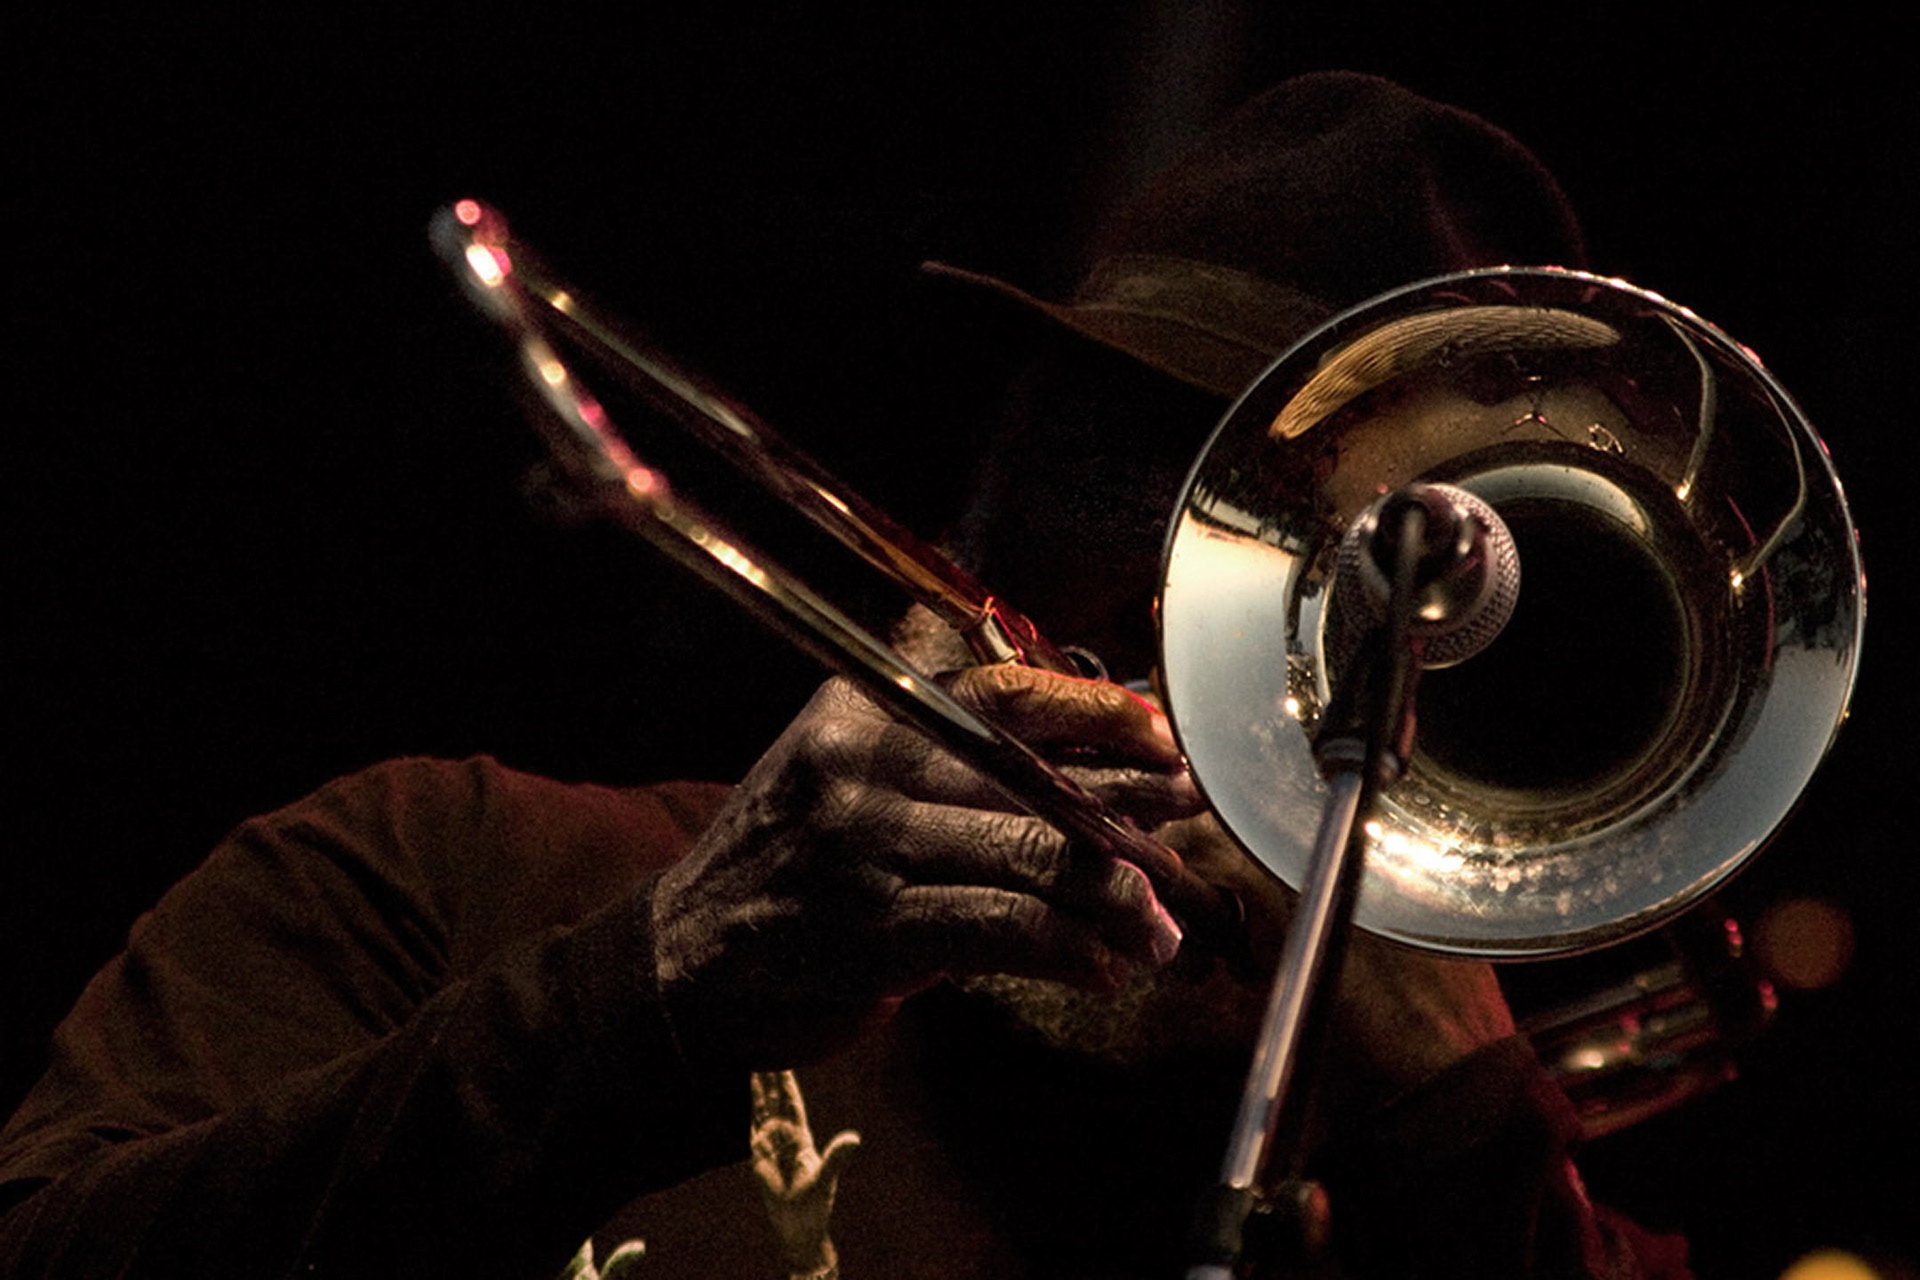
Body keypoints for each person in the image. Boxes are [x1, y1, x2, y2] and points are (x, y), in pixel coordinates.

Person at [0, 73, 1693, 1279]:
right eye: (1119, 480)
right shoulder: (438, 866)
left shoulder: (1452, 1201)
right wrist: (665, 983)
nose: (1169, 671)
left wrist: (1465, 1129)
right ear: (977, 505)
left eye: (1349, 604)